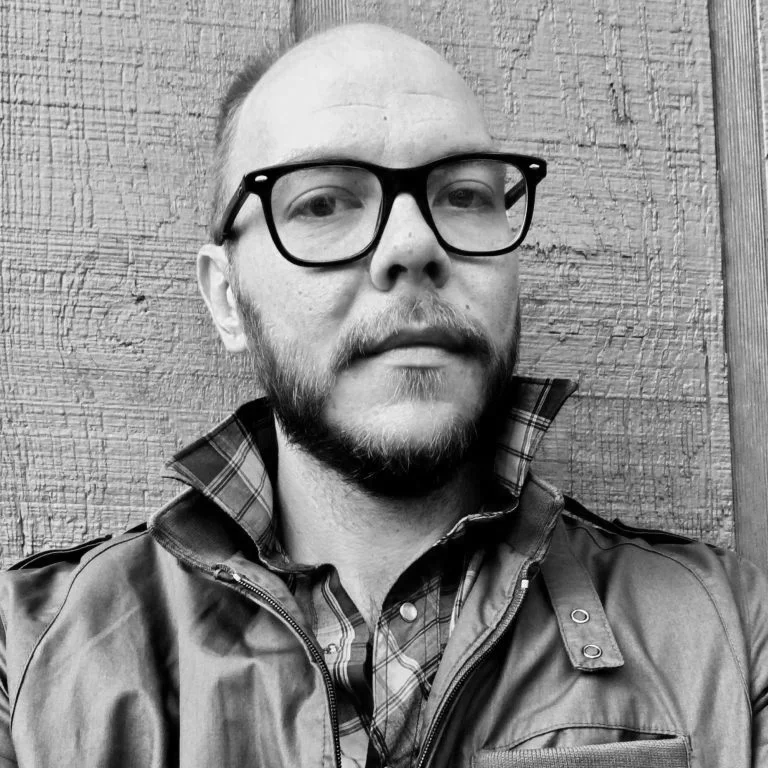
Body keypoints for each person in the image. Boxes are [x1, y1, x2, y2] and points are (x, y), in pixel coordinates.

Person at [0, 22, 765, 768]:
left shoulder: (728, 637)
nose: (411, 245)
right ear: (228, 299)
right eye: (323, 203)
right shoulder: (30, 657)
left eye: (463, 193)